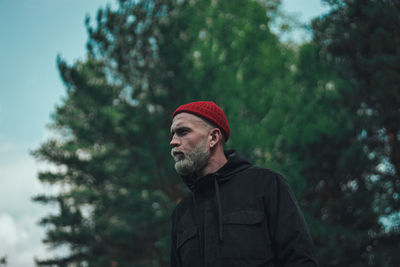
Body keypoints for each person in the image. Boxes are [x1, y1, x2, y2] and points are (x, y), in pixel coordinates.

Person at [169, 101, 318, 267]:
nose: (173, 142)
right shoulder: (181, 212)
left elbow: (300, 259)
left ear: (213, 138)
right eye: (173, 134)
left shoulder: (266, 185)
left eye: (183, 132)